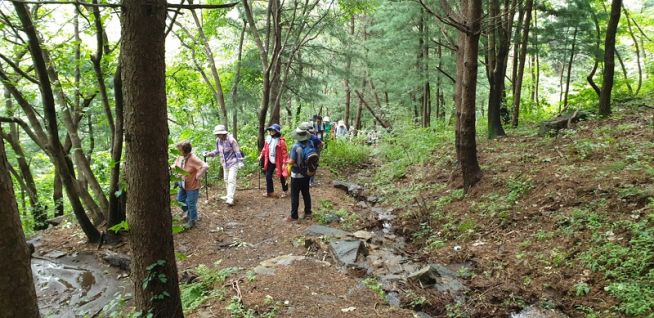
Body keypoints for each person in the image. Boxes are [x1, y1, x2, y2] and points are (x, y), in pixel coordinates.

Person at [204, 125, 243, 206]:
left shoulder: (231, 140)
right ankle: (228, 195)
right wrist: (209, 154)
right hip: (224, 163)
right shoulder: (218, 140)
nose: (218, 135)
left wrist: (240, 161)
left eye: (219, 134)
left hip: (233, 162)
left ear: (223, 133)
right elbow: (217, 151)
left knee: (231, 179)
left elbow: (237, 151)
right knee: (226, 179)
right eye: (217, 134)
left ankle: (230, 198)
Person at [172, 141, 208, 229]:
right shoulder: (180, 157)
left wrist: (198, 175)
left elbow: (205, 166)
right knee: (179, 200)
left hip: (192, 185)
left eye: (179, 150)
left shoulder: (193, 158)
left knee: (191, 203)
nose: (178, 151)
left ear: (185, 151)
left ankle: (192, 220)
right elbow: (175, 165)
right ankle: (189, 213)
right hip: (182, 184)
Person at [286, 127, 313, 221]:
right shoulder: (310, 143)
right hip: (307, 173)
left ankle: (294, 216)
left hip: (296, 175)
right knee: (306, 193)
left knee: (295, 195)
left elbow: (292, 161)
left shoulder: (295, 147)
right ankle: (308, 212)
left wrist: (286, 161)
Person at [259, 124, 289, 198]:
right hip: (270, 160)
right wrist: (260, 156)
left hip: (279, 161)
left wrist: (284, 163)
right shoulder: (268, 139)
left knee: (282, 176)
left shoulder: (281, 141)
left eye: (273, 130)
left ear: (277, 131)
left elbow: (285, 153)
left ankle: (285, 191)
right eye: (271, 130)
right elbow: (264, 149)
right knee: (268, 175)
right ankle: (270, 192)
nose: (271, 131)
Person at [300, 122, 324, 187]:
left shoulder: (304, 136)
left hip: (307, 154)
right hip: (313, 154)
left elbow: (321, 144)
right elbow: (321, 144)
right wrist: (319, 150)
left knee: (307, 166)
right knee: (313, 166)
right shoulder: (313, 136)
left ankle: (308, 181)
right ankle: (311, 182)